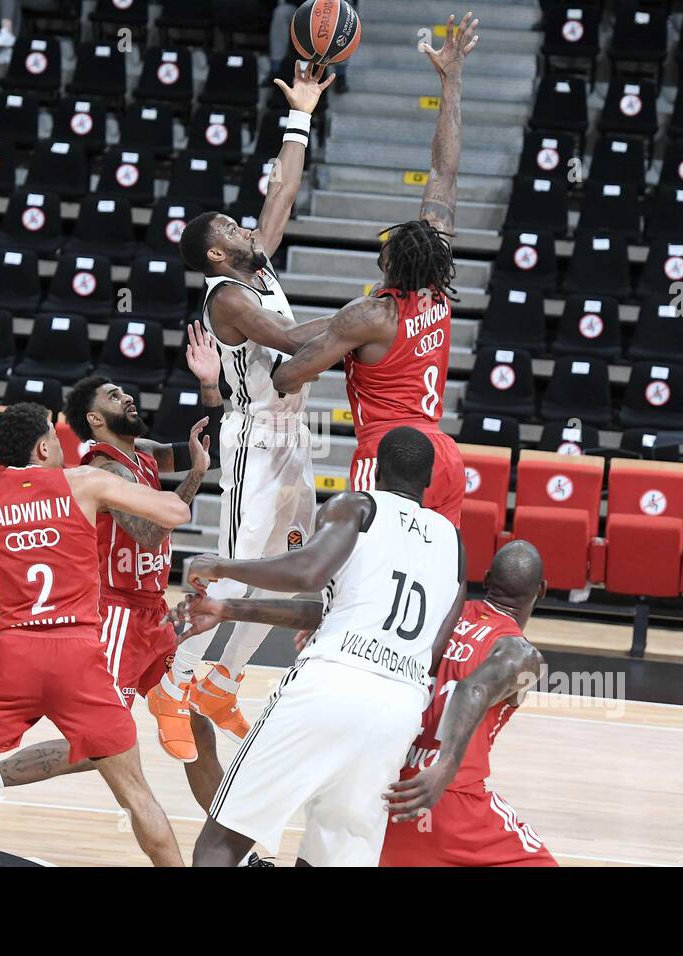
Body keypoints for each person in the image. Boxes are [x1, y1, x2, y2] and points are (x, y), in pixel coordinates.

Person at [0, 322, 228, 864]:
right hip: (112, 615)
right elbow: (154, 532)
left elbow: (213, 446)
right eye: (114, 395)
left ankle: (234, 846)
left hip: (151, 613)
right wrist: (195, 478)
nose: (128, 396)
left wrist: (209, 387)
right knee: (100, 752)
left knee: (195, 724)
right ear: (95, 418)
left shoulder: (146, 454)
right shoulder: (101, 468)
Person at [0, 406, 192, 866]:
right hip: (78, 658)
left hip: (14, 658)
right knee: (136, 795)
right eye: (56, 439)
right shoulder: (84, 483)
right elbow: (175, 511)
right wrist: (137, 468)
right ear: (43, 447)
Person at [170, 426, 467, 866]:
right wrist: (228, 608)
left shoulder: (357, 505)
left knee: (222, 842)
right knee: (331, 857)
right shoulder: (453, 543)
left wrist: (220, 564)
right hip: (398, 707)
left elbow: (308, 572)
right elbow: (427, 646)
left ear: (375, 470)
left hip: (330, 683)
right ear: (427, 480)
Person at [161, 60, 337, 759]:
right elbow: (291, 341)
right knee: (236, 572)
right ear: (214, 251)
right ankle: (172, 685)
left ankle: (223, 684)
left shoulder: (254, 266)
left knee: (299, 569)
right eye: (232, 226)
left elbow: (283, 191)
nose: (245, 226)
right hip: (255, 442)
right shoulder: (225, 297)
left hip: (293, 439)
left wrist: (302, 113)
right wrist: (360, 329)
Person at [269, 13, 480, 528]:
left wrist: (314, 343)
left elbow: (289, 374)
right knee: (431, 571)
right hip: (442, 454)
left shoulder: (371, 314)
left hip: (387, 455)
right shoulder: (436, 284)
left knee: (361, 575)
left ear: (388, 264)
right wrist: (452, 81)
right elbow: (444, 171)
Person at [380, 540, 556, 867]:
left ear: (487, 579)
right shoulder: (522, 654)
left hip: (382, 788)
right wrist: (443, 769)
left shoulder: (439, 615)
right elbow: (470, 688)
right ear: (542, 589)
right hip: (444, 796)